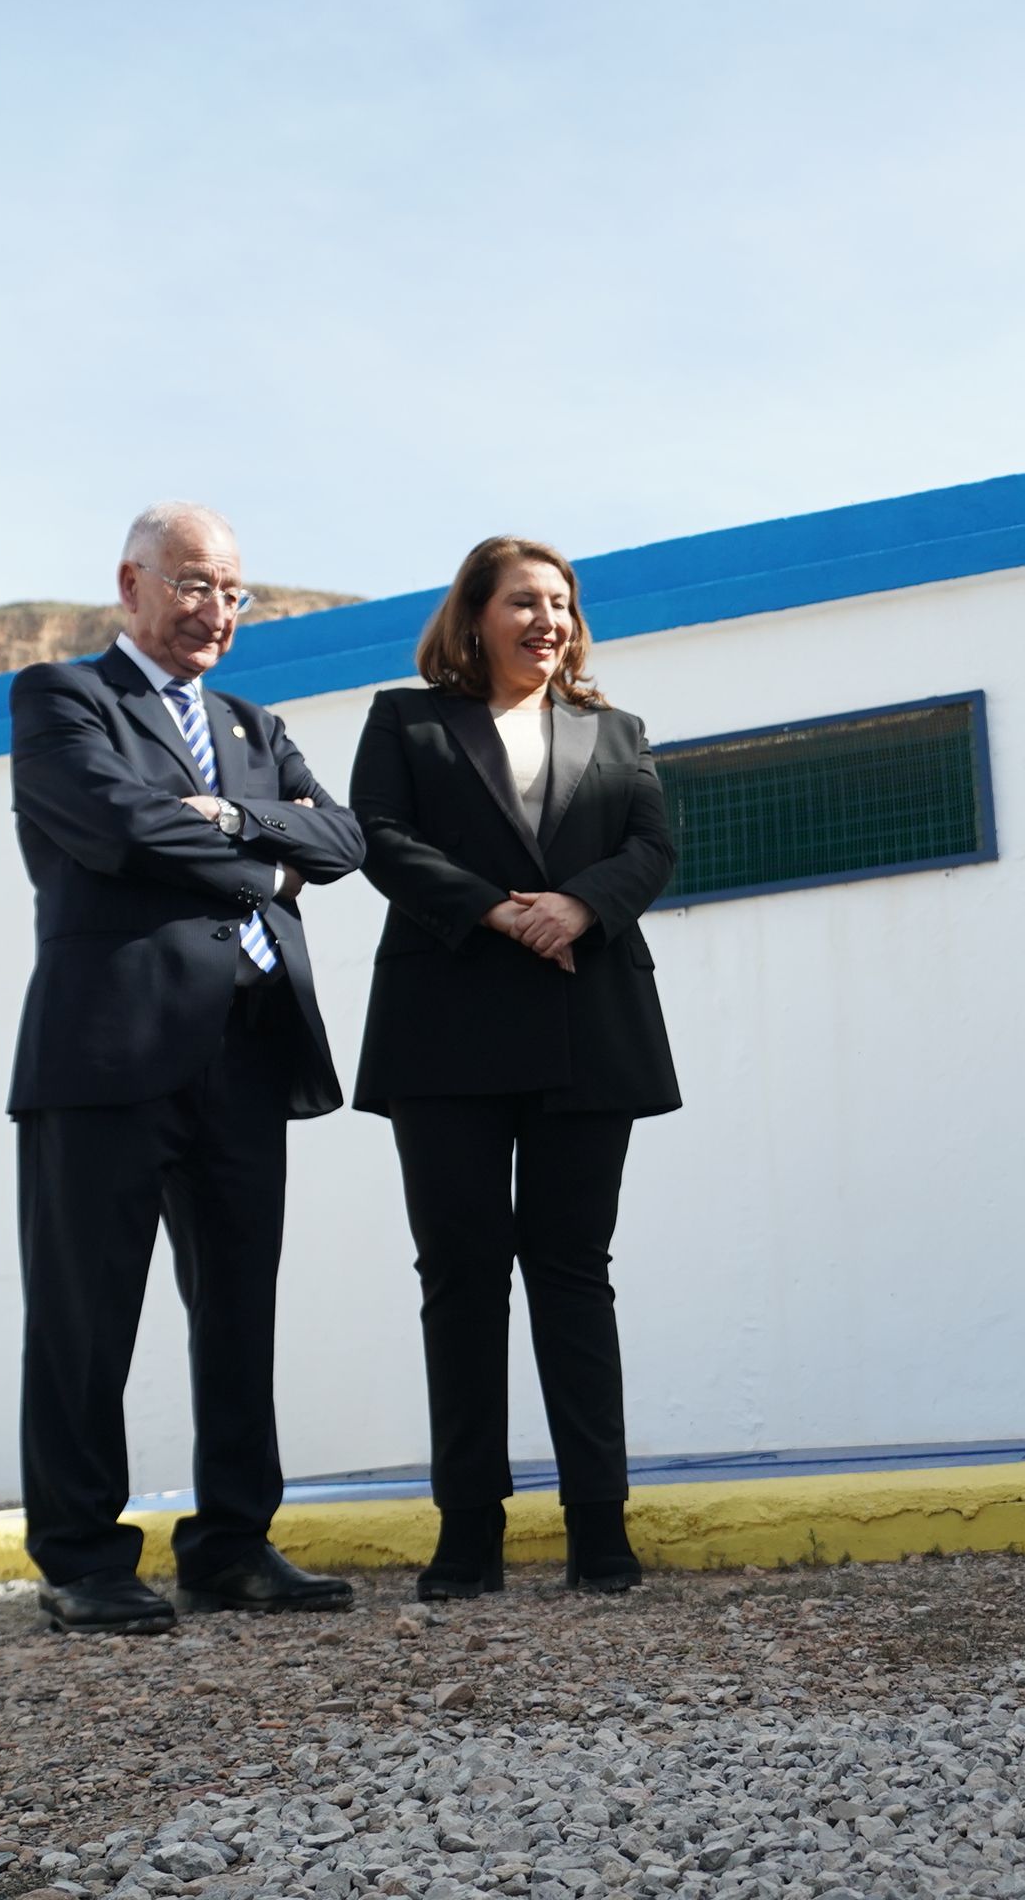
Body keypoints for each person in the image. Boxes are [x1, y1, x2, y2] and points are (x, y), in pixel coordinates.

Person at [7, 502, 368, 1634]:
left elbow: (346, 840)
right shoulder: (63, 698)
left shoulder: (255, 725)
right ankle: (82, 1554)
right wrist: (265, 865)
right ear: (133, 583)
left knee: (236, 1309)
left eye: (233, 592)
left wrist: (227, 811)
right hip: (107, 1048)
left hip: (246, 1049)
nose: (216, 610)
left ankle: (231, 1543)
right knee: (85, 1310)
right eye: (194, 584)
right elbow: (116, 826)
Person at [348, 535, 682, 1601]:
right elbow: (380, 837)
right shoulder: (405, 720)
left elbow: (651, 844)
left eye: (562, 603)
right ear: (475, 615)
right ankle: (468, 1532)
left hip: (591, 1020)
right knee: (460, 1277)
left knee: (573, 1272)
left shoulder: (615, 731)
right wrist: (498, 910)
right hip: (445, 1028)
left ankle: (599, 1525)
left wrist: (578, 904)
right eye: (524, 601)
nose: (548, 619)